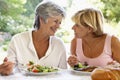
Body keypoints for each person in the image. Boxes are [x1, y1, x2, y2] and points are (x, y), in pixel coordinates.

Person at [0, 1, 67, 75]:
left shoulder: (59, 45)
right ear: (41, 19)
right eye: (55, 21)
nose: (58, 26)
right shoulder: (17, 40)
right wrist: (6, 69)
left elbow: (64, 74)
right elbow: (10, 70)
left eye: (59, 23)